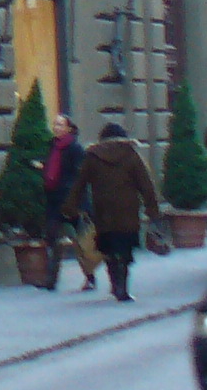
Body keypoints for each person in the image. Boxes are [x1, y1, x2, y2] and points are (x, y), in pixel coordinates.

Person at [65, 121, 161, 302]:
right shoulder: (131, 155)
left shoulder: (92, 157)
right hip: (128, 211)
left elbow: (79, 184)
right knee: (125, 250)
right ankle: (122, 288)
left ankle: (114, 284)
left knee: (108, 249)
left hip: (103, 211)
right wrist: (153, 211)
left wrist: (70, 208)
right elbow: (146, 185)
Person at [39, 113, 87, 291]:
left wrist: (75, 196)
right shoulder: (52, 146)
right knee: (52, 238)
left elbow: (80, 174)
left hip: (70, 201)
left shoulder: (75, 148)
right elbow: (52, 167)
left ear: (68, 128)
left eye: (60, 125)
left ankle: (90, 276)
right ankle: (51, 280)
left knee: (80, 241)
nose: (56, 128)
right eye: (55, 124)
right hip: (53, 199)